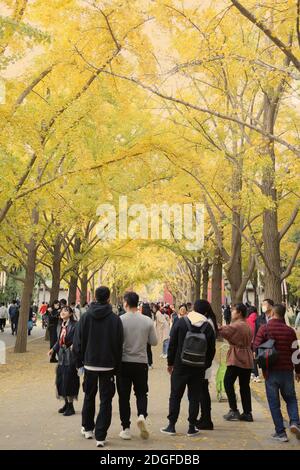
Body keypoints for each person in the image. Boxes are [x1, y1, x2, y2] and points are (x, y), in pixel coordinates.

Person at [73, 286, 123, 448]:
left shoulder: (86, 317)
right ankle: (100, 436)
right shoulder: (115, 319)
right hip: (108, 365)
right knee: (106, 400)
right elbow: (118, 344)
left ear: (95, 297)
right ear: (109, 298)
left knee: (89, 396)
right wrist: (116, 365)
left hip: (89, 363)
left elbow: (78, 341)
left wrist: (79, 361)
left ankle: (88, 428)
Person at [161, 306, 216, 437]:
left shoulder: (180, 322)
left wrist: (170, 363)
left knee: (175, 395)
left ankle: (171, 425)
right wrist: (205, 365)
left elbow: (172, 344)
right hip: (198, 368)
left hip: (180, 366)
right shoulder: (207, 327)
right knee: (194, 397)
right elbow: (211, 350)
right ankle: (192, 426)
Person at [254, 304, 300, 442]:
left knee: (274, 403)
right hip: (287, 371)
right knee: (291, 398)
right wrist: (298, 371)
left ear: (272, 312)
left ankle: (280, 433)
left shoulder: (264, 328)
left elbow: (256, 346)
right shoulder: (290, 331)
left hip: (270, 371)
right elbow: (296, 353)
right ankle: (294, 422)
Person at [117, 293, 157, 441]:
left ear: (126, 303)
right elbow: (154, 342)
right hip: (141, 362)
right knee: (141, 393)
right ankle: (141, 415)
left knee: (123, 396)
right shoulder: (147, 320)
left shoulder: (120, 320)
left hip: (124, 362)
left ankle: (126, 428)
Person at [219, 303, 253, 422]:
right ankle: (247, 412)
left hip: (237, 357)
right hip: (247, 357)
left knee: (228, 382)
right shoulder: (247, 325)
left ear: (239, 313)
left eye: (234, 310)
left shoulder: (238, 325)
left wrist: (217, 326)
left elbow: (225, 330)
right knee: (244, 386)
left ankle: (234, 410)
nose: (232, 312)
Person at [48, 306, 80, 416]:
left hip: (71, 357)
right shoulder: (60, 325)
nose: (62, 312)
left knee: (69, 379)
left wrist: (73, 346)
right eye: (61, 311)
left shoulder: (75, 325)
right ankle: (66, 403)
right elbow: (58, 340)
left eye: (65, 311)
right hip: (61, 356)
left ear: (71, 314)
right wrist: (53, 349)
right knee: (61, 379)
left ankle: (71, 406)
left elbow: (79, 339)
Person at [193, 299, 218, 430]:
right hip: (205, 362)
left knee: (202, 392)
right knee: (203, 391)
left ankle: (206, 419)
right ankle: (204, 418)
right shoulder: (209, 322)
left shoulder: (206, 323)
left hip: (203, 362)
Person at [246, 306, 261, 383]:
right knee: (254, 357)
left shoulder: (247, 320)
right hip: (258, 341)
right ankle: (253, 373)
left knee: (252, 358)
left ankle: (256, 375)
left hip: (249, 342)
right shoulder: (259, 319)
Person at [141, 303, 155, 369]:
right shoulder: (150, 316)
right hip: (148, 335)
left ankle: (145, 363)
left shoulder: (141, 317)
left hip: (142, 335)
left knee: (143, 350)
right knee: (149, 349)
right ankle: (150, 363)